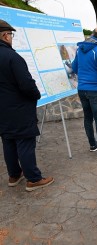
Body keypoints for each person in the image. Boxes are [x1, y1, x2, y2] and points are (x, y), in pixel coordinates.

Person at [0, 19, 54, 191]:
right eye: (11, 34)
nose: (11, 37)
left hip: (3, 111)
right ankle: (33, 178)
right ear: (5, 35)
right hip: (19, 109)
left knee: (8, 141)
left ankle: (14, 175)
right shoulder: (12, 57)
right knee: (25, 142)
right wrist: (36, 95)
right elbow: (26, 84)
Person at [72, 27, 97, 157]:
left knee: (88, 118)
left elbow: (74, 67)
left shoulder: (80, 49)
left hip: (82, 89)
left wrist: (85, 78)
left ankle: (93, 145)